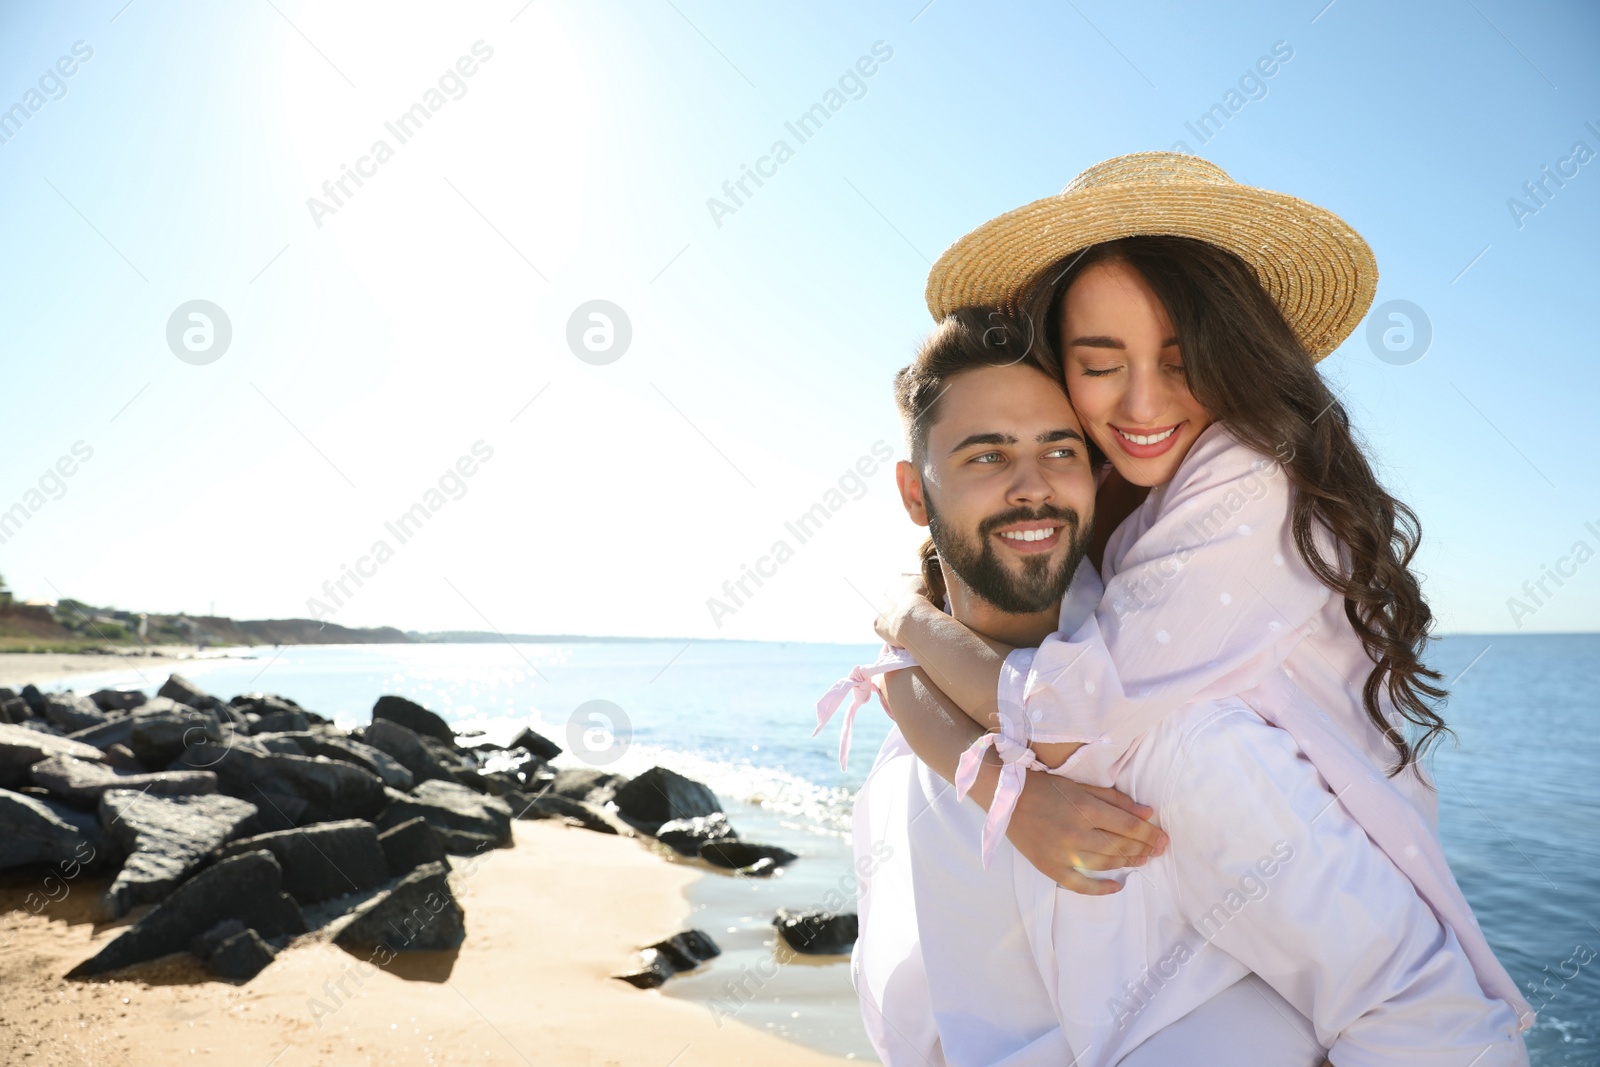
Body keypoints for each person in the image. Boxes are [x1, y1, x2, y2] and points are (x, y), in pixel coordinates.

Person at [819, 152, 1533, 1062]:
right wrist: (924, 678)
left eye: (1182, 357)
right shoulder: (1118, 555)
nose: (1146, 400)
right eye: (1101, 363)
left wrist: (908, 634)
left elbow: (1066, 714)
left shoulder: (1237, 524)